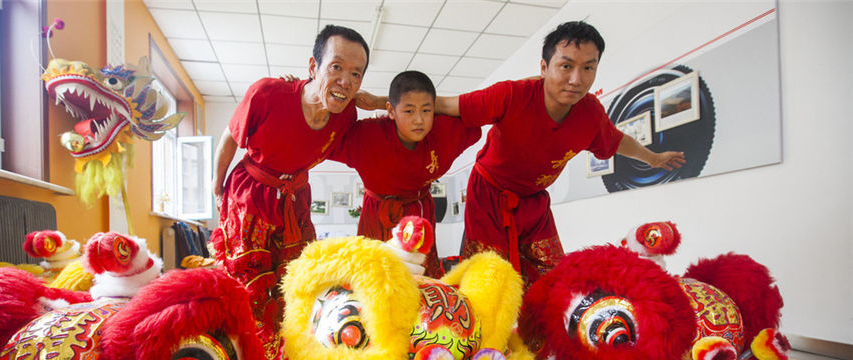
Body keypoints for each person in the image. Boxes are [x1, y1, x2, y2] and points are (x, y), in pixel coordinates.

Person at [422, 21, 686, 286]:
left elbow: (616, 141)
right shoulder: (511, 95)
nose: (576, 80)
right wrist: (392, 106)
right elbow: (445, 104)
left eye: (588, 68)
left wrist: (653, 158)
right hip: (489, 196)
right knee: (488, 281)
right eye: (566, 66)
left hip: (535, 202)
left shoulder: (590, 113)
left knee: (553, 277)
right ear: (544, 67)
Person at [210, 24, 369, 308]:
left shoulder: (346, 117)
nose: (346, 80)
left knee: (297, 280)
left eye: (356, 74)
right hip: (251, 195)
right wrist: (216, 185)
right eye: (336, 67)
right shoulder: (267, 93)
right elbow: (230, 137)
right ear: (313, 67)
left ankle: (286, 345)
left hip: (295, 198)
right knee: (247, 285)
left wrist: (381, 101)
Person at [328, 70, 481, 277]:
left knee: (420, 280)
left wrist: (380, 101)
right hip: (377, 215)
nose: (419, 120)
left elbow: (482, 108)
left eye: (426, 110)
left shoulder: (444, 133)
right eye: (409, 111)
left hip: (419, 213)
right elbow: (323, 129)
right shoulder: (367, 136)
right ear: (391, 111)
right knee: (376, 278)